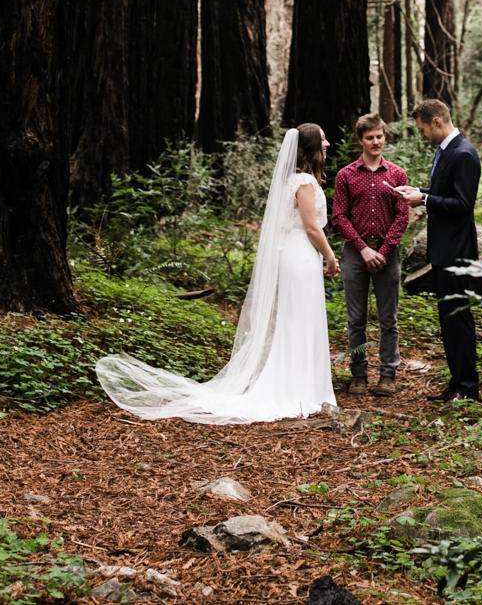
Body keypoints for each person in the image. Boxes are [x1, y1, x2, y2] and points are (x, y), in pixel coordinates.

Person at [95, 125, 340, 424]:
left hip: (298, 252)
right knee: (299, 320)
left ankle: (304, 386)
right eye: (323, 139)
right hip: (301, 253)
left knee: (300, 320)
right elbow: (312, 227)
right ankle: (298, 389)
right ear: (313, 146)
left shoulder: (299, 180)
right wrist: (330, 257)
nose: (328, 143)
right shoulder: (303, 182)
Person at [395, 99, 481, 402]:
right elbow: (445, 193)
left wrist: (425, 201)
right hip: (444, 250)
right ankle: (457, 383)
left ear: (436, 122)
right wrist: (420, 193)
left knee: (458, 319)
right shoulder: (446, 151)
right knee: (448, 320)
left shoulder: (464, 154)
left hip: (458, 252)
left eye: (421, 130)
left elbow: (463, 204)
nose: (421, 136)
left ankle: (468, 388)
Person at [331, 112, 409, 395]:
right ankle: (358, 375)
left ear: (384, 137)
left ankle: (388, 375)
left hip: (388, 254)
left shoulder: (397, 174)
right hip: (355, 253)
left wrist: (384, 251)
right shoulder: (346, 175)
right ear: (360, 141)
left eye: (379, 136)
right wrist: (363, 249)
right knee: (356, 319)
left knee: (389, 319)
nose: (375, 142)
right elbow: (339, 216)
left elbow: (402, 217)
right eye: (369, 138)